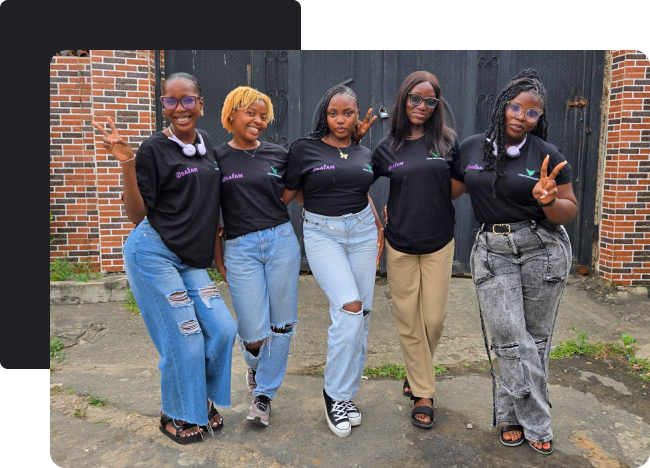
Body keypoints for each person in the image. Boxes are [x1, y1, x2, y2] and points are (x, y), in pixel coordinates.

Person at [91, 72, 238, 445]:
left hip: (190, 257)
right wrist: (127, 161)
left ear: (200, 103)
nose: (179, 108)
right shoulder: (154, 148)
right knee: (185, 334)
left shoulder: (206, 144)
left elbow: (212, 207)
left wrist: (219, 260)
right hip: (152, 252)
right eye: (170, 101)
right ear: (163, 106)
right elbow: (136, 214)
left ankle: (197, 400)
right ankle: (175, 412)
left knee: (222, 329)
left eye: (187, 99)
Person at [456, 69, 577, 455]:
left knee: (535, 340)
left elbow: (568, 210)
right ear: (502, 106)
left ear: (539, 117)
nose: (522, 116)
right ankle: (538, 422)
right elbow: (447, 189)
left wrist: (548, 200)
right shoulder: (472, 149)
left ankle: (510, 416)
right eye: (515, 107)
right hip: (493, 251)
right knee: (510, 338)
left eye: (532, 112)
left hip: (542, 247)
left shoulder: (547, 154)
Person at [282, 85, 383, 438]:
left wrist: (378, 227)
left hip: (363, 232)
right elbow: (287, 194)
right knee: (350, 309)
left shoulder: (363, 151)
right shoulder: (304, 149)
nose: (340, 119)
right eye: (334, 113)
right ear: (324, 115)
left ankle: (347, 394)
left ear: (357, 116)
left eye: (348, 113)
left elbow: (360, 191)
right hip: (323, 234)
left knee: (361, 317)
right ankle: (334, 395)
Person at [370, 71, 464, 429]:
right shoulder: (387, 147)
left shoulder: (447, 141)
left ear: (437, 106)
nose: (421, 106)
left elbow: (458, 186)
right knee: (409, 321)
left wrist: (429, 197)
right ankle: (423, 393)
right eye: (415, 98)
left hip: (439, 241)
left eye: (430, 101)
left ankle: (416, 372)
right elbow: (356, 181)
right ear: (403, 99)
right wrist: (379, 222)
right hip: (401, 244)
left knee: (433, 319)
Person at [212, 86, 301, 427]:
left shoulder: (278, 154)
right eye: (251, 113)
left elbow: (297, 190)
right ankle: (255, 366)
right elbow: (210, 211)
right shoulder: (217, 158)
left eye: (263, 116)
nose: (258, 121)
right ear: (231, 113)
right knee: (252, 332)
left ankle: (264, 395)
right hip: (240, 248)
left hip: (281, 241)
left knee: (282, 324)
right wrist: (218, 258)